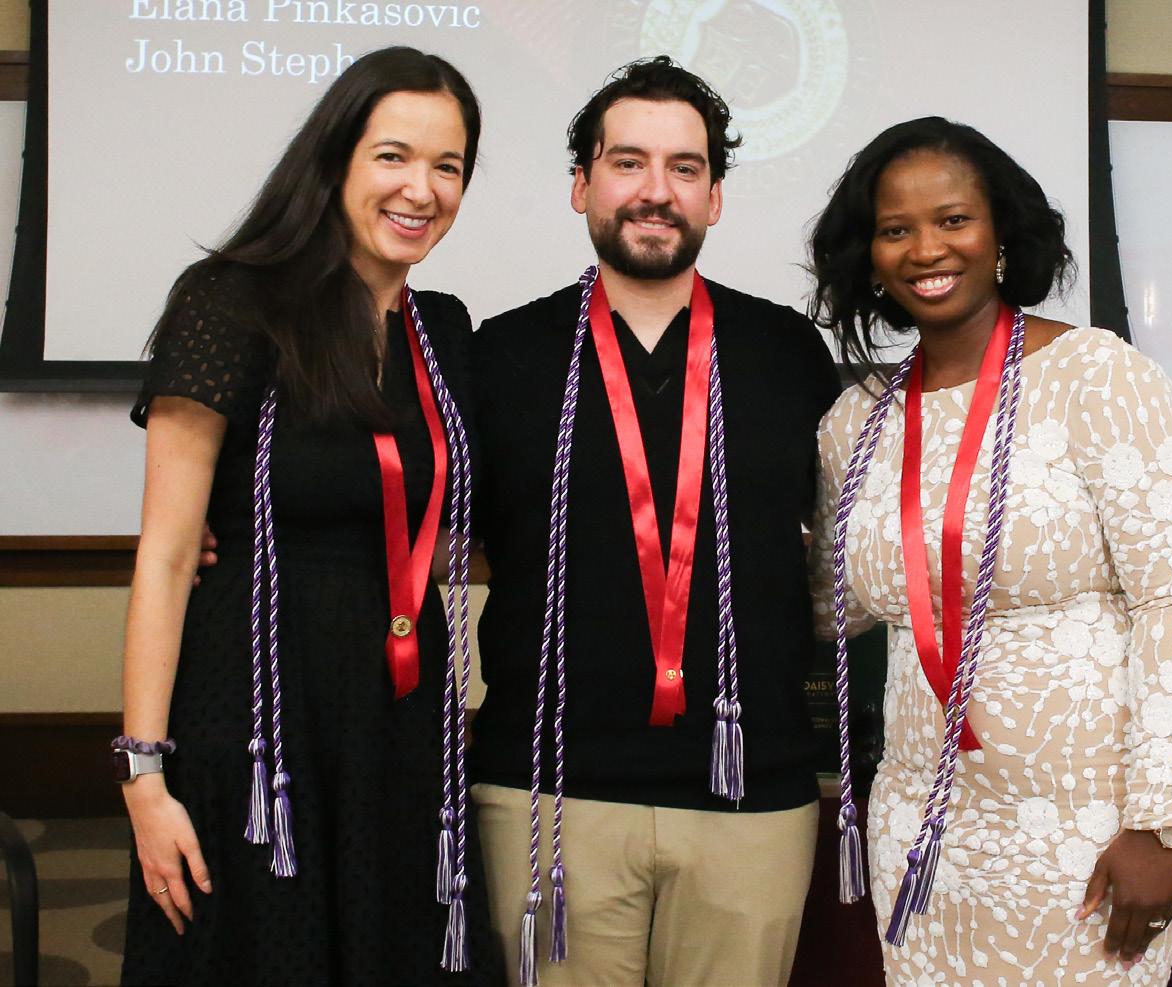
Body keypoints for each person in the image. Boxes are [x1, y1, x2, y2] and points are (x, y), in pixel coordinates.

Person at [116, 47, 497, 986]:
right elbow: (167, 555)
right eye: (392, 156)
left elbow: (448, 515)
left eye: (448, 166)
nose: (422, 189)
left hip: (399, 718)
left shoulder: (444, 330)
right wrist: (143, 775)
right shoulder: (233, 303)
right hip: (255, 718)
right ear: (334, 161)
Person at [807, 116, 1172, 984]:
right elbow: (834, 607)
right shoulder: (856, 422)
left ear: (1001, 236)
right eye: (895, 229)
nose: (927, 248)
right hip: (923, 832)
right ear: (869, 256)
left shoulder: (1098, 376)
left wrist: (1158, 823)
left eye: (953, 219)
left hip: (1091, 832)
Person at [468, 57, 842, 987]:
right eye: (627, 162)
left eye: (684, 167)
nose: (655, 190)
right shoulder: (501, 354)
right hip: (548, 789)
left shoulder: (787, 351)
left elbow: (850, 538)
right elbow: (424, 525)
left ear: (714, 197)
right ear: (581, 185)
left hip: (749, 789)